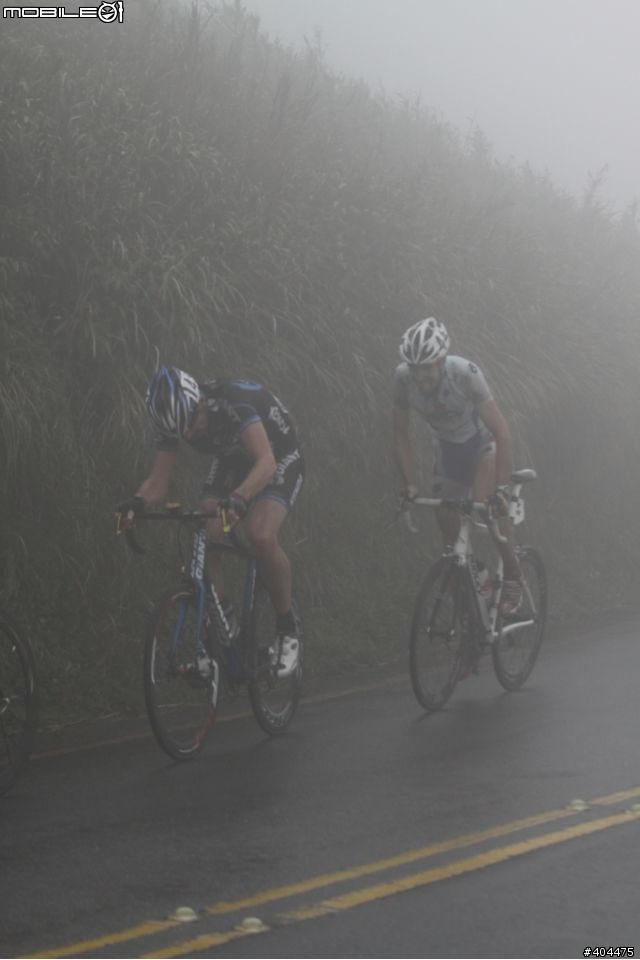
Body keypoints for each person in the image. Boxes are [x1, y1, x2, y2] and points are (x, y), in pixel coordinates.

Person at [121, 366, 304, 676]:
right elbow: (158, 482)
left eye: (192, 423)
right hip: (234, 454)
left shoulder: (234, 398)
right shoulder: (174, 418)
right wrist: (136, 503)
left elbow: (265, 464)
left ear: (200, 402)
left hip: (277, 454)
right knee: (206, 523)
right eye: (182, 431)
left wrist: (241, 497)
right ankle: (225, 623)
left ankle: (288, 629)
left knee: (259, 533)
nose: (190, 434)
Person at [392, 317, 522, 616]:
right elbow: (400, 435)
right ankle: (472, 586)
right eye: (415, 368)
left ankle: (514, 573)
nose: (421, 377)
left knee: (485, 508)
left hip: (481, 446)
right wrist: (410, 483)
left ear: (440, 360)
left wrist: (502, 490)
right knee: (448, 530)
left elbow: (502, 434)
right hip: (448, 449)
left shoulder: (465, 374)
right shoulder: (401, 379)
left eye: (427, 368)